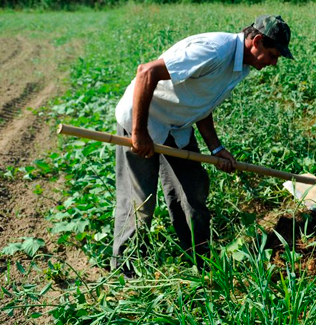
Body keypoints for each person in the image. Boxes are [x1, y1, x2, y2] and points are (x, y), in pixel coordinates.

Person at [113, 15, 293, 272]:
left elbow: (202, 103)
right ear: (258, 41)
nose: (274, 63)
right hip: (142, 121)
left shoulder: (240, 66)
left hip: (177, 128)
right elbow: (146, 72)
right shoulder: (215, 51)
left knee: (193, 192)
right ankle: (125, 270)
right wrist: (138, 132)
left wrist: (217, 148)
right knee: (140, 202)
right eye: (274, 55)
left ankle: (200, 262)